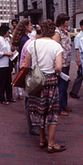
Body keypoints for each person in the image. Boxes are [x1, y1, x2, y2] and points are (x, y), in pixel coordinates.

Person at [21, 19, 66, 153]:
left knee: (38, 111)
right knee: (52, 112)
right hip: (50, 81)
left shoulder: (32, 44)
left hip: (36, 82)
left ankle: (42, 140)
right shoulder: (56, 45)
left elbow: (25, 63)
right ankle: (51, 144)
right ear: (53, 31)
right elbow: (59, 67)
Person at [20, 25, 42, 136]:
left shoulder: (32, 42)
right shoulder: (31, 44)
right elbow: (25, 63)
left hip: (30, 76)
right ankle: (32, 127)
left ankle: (33, 125)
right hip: (29, 76)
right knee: (29, 102)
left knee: (31, 102)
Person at [53, 13, 72, 116]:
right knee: (60, 86)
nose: (68, 22)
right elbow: (55, 48)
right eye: (67, 20)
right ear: (62, 21)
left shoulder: (65, 32)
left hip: (67, 62)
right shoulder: (57, 33)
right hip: (62, 63)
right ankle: (58, 108)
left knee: (65, 85)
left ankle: (64, 104)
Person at [11, 18, 33, 100]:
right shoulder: (25, 39)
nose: (32, 27)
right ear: (26, 27)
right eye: (30, 25)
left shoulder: (23, 38)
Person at [0, 25, 16, 105]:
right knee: (2, 83)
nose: (8, 33)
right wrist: (6, 53)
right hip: (0, 65)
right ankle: (2, 98)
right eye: (7, 31)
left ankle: (9, 97)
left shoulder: (6, 41)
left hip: (7, 64)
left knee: (8, 82)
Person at [69, 19, 83, 99]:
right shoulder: (78, 37)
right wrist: (78, 60)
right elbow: (77, 49)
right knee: (80, 76)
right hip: (82, 59)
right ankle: (74, 92)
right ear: (82, 26)